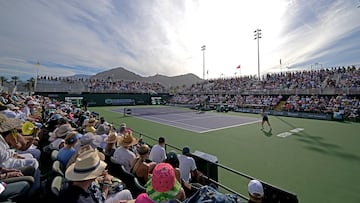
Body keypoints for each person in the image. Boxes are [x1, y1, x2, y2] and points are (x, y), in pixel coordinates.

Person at [59, 147, 133, 203]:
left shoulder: (67, 184)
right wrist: (106, 183)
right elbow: (101, 199)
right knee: (127, 193)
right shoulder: (86, 200)